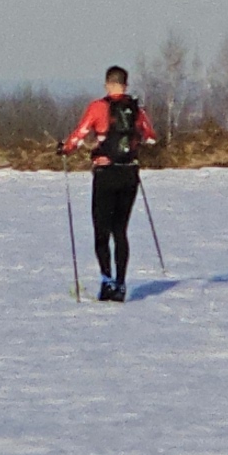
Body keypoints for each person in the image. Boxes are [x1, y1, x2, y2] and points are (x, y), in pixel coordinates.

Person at [62, 65, 160, 299]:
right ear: (125, 85)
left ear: (107, 84)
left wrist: (65, 148)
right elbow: (151, 137)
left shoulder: (98, 107)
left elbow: (79, 135)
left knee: (101, 231)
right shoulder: (136, 109)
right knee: (120, 230)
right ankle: (121, 283)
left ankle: (107, 281)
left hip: (106, 174)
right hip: (129, 174)